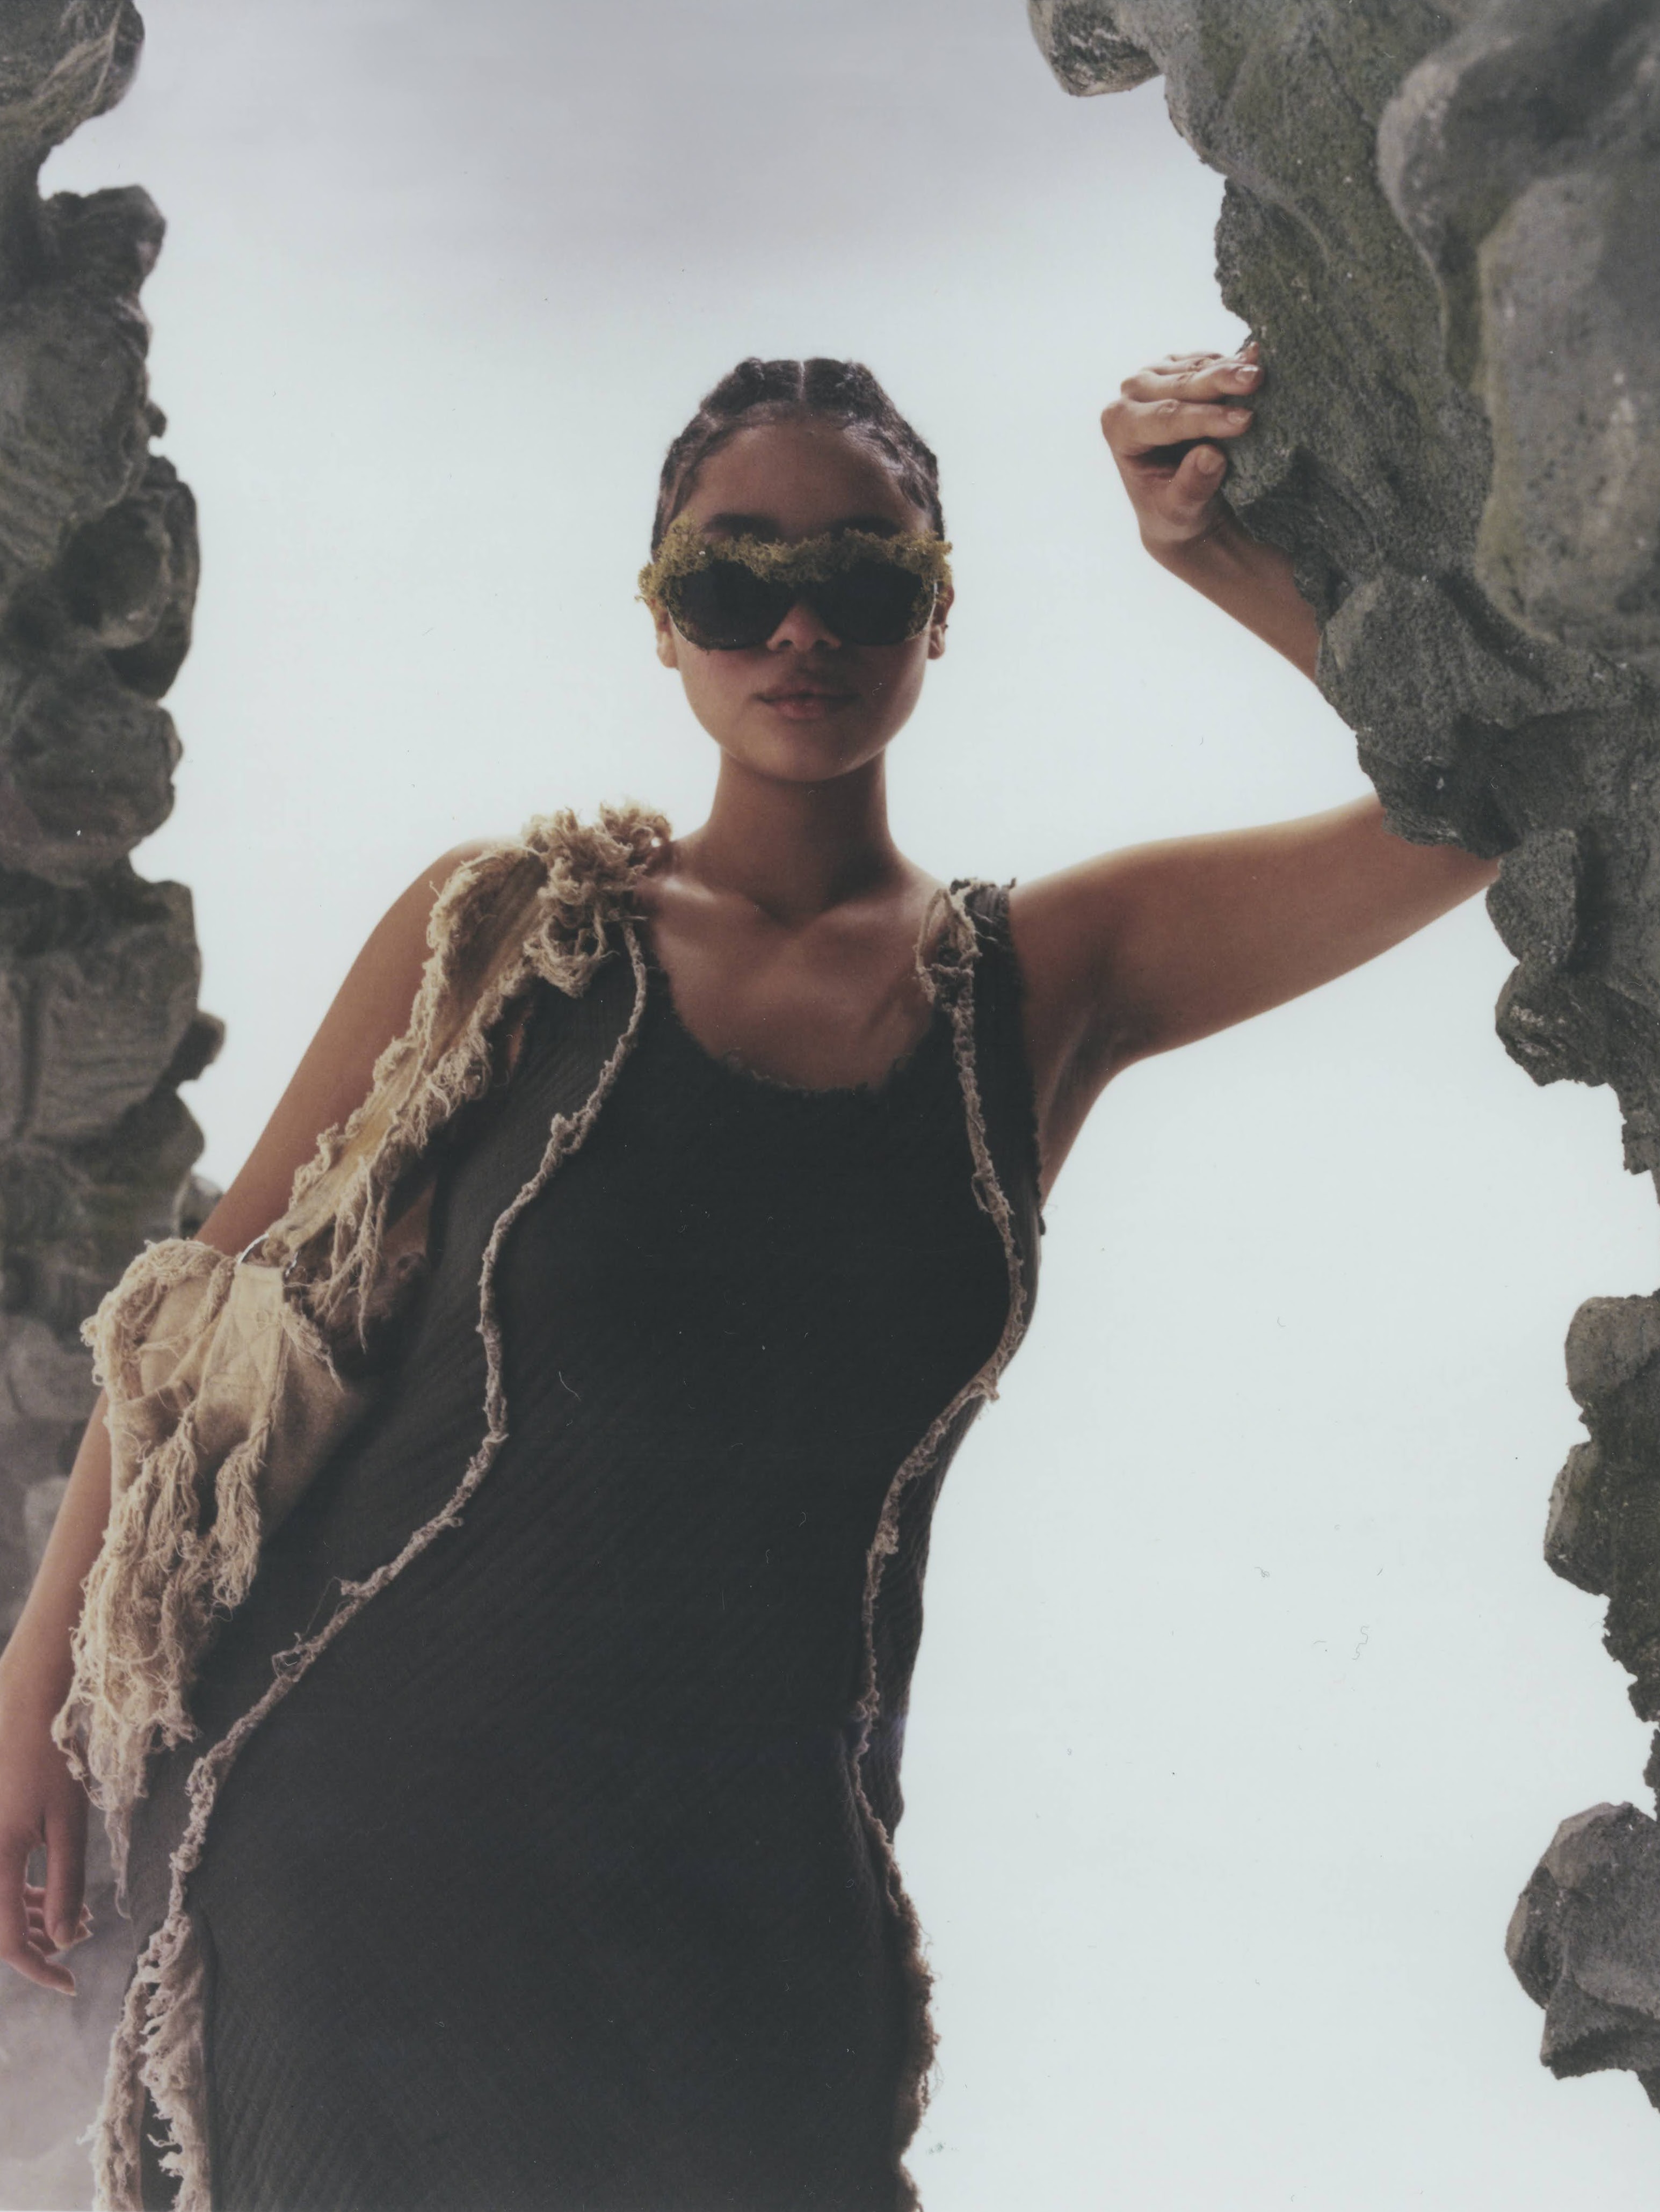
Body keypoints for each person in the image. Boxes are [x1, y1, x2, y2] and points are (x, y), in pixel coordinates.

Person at [0, 348, 1495, 2211]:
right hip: (377, 1870)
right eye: (729, 580)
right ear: (661, 618)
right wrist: (29, 1689)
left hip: (763, 1912)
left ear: (937, 609)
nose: (797, 628)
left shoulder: (1049, 977)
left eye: (862, 577)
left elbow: (1468, 807)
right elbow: (199, 1328)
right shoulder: (517, 935)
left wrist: (1222, 564)